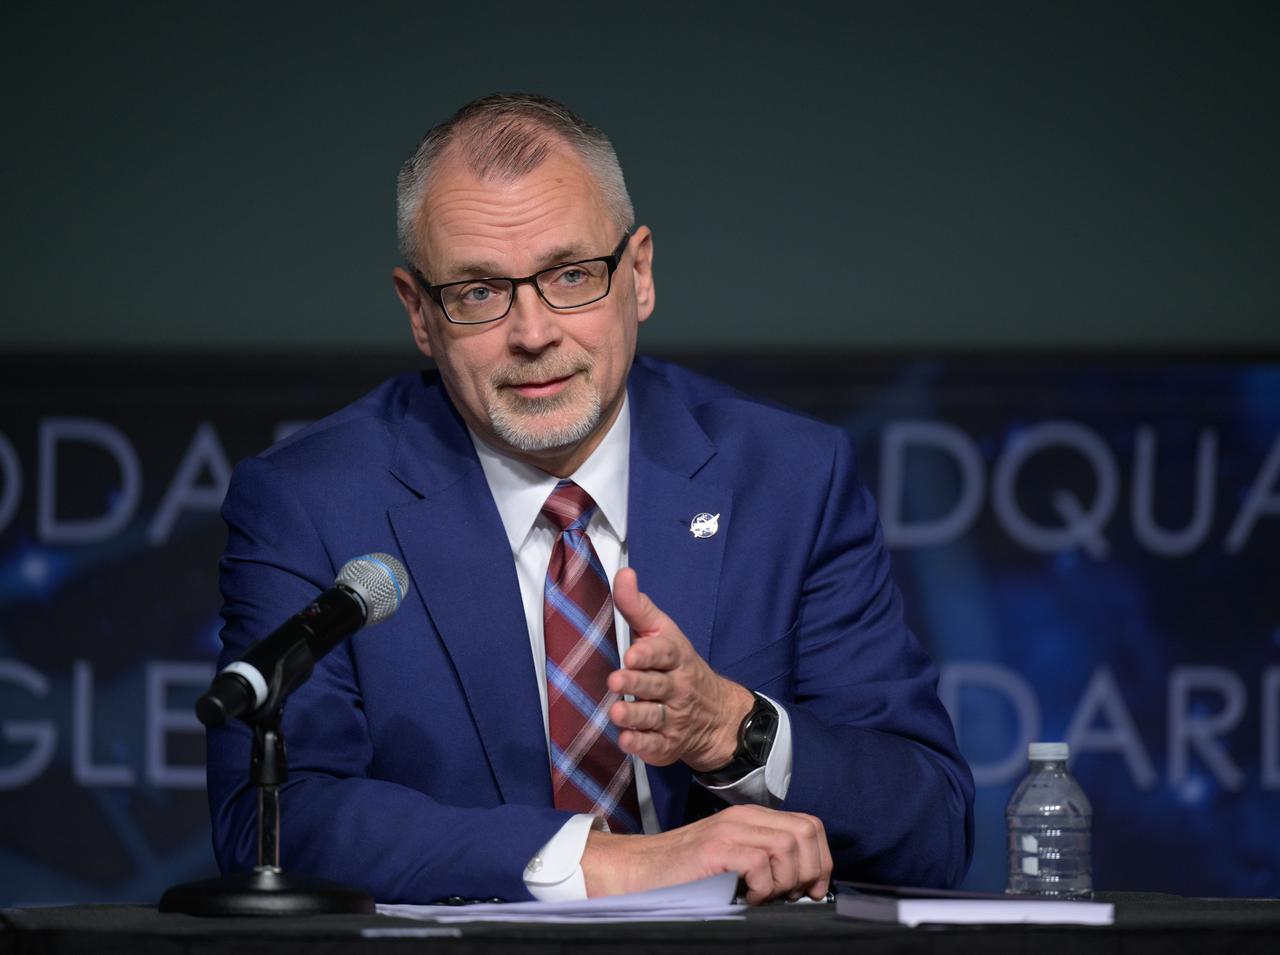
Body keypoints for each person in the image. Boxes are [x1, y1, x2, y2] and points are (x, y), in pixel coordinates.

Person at [207, 93, 974, 904]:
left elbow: (931, 825)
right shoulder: (312, 501)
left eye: (572, 275)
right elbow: (277, 818)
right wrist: (612, 862)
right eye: (477, 291)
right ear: (420, 313)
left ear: (638, 275)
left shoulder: (787, 479)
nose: (533, 332)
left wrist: (729, 728)